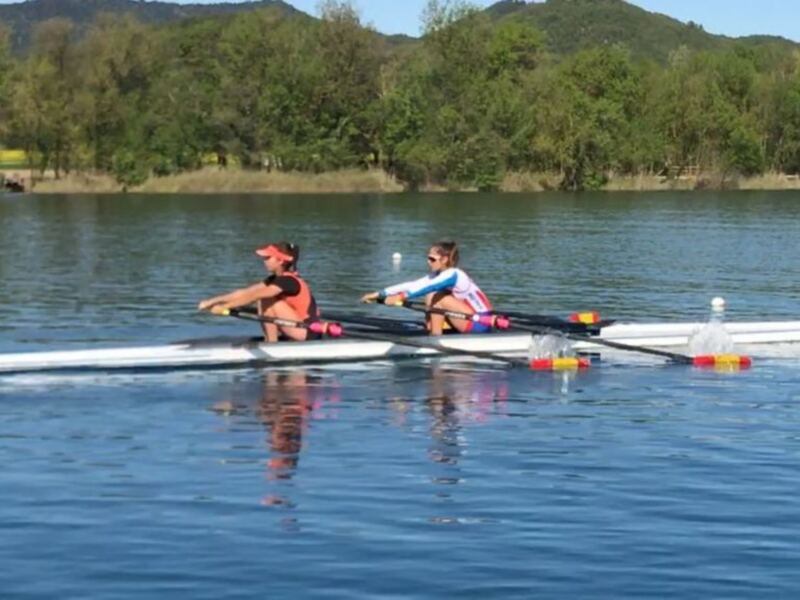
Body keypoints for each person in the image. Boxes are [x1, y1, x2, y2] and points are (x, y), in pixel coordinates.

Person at [361, 241, 493, 335]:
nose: (428, 261)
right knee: (432, 295)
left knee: (434, 295)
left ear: (445, 259)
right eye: (428, 258)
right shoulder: (438, 275)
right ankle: (433, 329)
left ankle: (435, 335)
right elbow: (413, 285)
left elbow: (428, 287)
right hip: (466, 317)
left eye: (432, 259)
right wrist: (380, 294)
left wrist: (399, 297)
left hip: (480, 322)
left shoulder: (454, 274)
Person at [198, 242, 319, 342]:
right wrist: (212, 301)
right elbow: (245, 292)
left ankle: (271, 343)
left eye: (268, 258)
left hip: (306, 332)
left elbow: (256, 295)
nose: (264, 261)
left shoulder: (288, 281)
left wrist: (225, 307)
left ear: (280, 261)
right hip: (295, 328)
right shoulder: (274, 280)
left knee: (265, 298)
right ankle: (271, 342)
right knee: (262, 296)